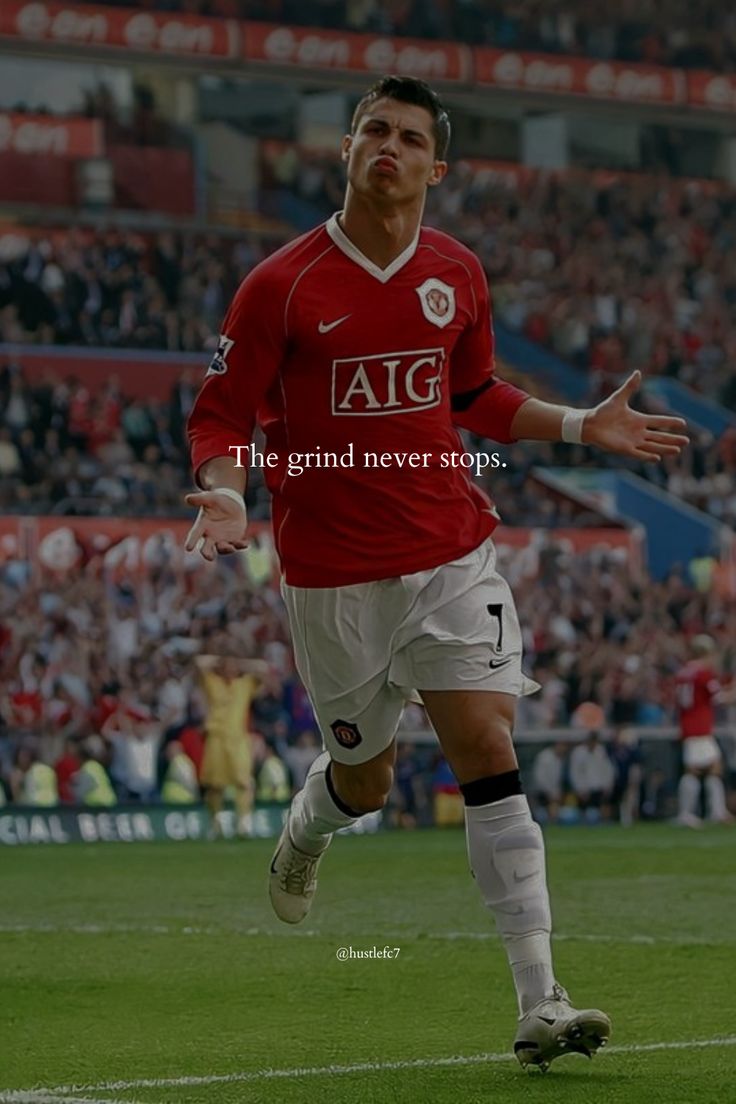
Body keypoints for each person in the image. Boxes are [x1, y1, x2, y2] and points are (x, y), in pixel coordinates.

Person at [185, 75, 688, 1071]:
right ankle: (308, 827)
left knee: (485, 740)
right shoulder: (278, 283)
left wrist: (582, 423)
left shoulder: (456, 270)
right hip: (333, 579)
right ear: (345, 149)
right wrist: (227, 491)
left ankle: (540, 999)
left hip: (451, 553)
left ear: (435, 167)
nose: (389, 145)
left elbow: (474, 395)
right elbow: (219, 415)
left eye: (410, 137)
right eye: (374, 129)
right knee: (367, 780)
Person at [195, 653, 268, 838]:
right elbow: (199, 663)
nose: (230, 668)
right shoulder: (213, 682)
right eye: (226, 665)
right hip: (216, 738)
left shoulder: (245, 684)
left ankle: (244, 822)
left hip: (238, 739)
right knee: (214, 785)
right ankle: (216, 824)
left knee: (243, 781)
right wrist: (219, 660)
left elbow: (263, 668)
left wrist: (241, 662)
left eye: (233, 665)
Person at [675, 634, 735, 827]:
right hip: (699, 726)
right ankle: (688, 813)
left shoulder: (683, 672)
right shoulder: (703, 673)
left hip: (688, 724)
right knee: (696, 770)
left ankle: (716, 811)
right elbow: (718, 698)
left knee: (713, 766)